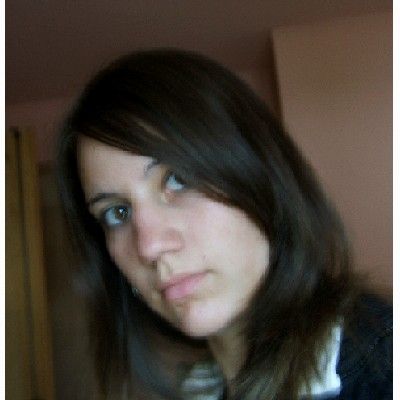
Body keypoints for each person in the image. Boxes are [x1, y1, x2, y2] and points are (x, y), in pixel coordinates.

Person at [57, 49, 392, 400]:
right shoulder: (199, 389)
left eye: (179, 179)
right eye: (117, 213)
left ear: (263, 174)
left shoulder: (385, 367)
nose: (149, 246)